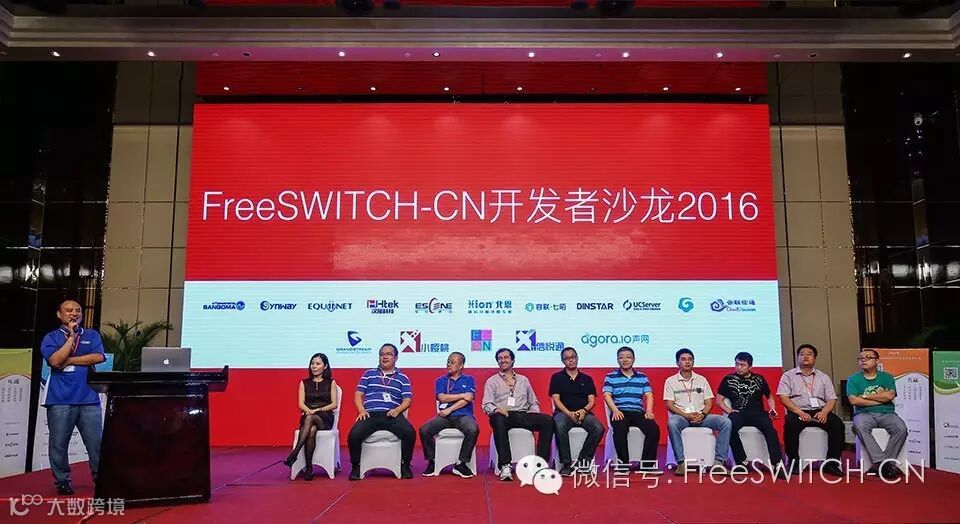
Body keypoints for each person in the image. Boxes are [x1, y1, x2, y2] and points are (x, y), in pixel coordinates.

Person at [39, 299, 106, 495]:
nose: (74, 313)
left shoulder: (91, 335)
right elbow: (55, 361)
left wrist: (68, 360)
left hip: (89, 399)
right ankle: (62, 481)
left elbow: (98, 356)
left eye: (78, 310)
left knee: (96, 444)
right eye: (68, 310)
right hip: (59, 399)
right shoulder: (51, 337)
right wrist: (71, 338)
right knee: (58, 444)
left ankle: (101, 479)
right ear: (59, 315)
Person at [482, 348, 554, 481]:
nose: (503, 360)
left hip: (522, 414)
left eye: (506, 357)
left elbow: (533, 401)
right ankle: (505, 465)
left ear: (512, 360)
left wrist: (533, 413)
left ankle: (540, 464)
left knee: (548, 420)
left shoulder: (523, 380)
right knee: (498, 419)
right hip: (502, 415)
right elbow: (487, 404)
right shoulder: (492, 381)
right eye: (500, 358)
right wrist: (497, 409)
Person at [347, 344, 415, 480]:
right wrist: (361, 410)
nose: (385, 357)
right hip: (370, 414)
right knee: (353, 435)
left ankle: (405, 465)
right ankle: (356, 466)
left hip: (392, 414)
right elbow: (358, 394)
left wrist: (397, 410)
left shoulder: (402, 378)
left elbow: (407, 400)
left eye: (389, 354)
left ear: (396, 358)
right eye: (382, 354)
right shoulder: (368, 374)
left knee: (409, 433)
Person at [777, 343, 844, 476]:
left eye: (809, 354)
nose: (806, 356)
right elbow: (783, 397)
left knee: (837, 424)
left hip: (820, 411)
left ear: (815, 358)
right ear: (797, 357)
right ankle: (794, 462)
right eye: (802, 354)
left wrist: (824, 412)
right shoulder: (788, 376)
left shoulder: (823, 377)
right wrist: (799, 412)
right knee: (790, 424)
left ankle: (831, 463)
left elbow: (832, 398)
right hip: (798, 411)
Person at [664, 348, 732, 475]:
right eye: (683, 359)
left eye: (690, 359)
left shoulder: (702, 380)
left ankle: (718, 462)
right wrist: (686, 415)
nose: (687, 362)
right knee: (672, 423)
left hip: (701, 416)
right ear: (677, 363)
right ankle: (681, 463)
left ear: (693, 362)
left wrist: (703, 414)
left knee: (725, 422)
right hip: (682, 417)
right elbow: (669, 404)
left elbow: (709, 402)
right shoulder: (670, 381)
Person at [716, 352, 785, 472]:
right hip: (738, 413)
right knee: (729, 427)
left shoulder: (759, 379)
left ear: (750, 366)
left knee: (770, 430)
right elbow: (719, 400)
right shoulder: (728, 379)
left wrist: (772, 409)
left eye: (742, 365)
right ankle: (742, 461)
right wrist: (729, 411)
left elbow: (769, 397)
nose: (739, 367)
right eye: (737, 364)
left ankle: (777, 463)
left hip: (758, 413)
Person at [847, 349, 908, 478]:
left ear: (877, 361)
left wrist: (864, 396)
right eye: (860, 358)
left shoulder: (887, 377)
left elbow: (890, 396)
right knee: (860, 426)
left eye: (868, 357)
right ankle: (882, 463)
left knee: (901, 428)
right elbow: (854, 400)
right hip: (863, 414)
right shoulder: (853, 379)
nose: (863, 360)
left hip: (887, 413)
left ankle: (884, 464)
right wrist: (880, 398)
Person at [418, 352, 478, 478]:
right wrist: (462, 395)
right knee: (424, 430)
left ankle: (461, 463)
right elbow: (442, 398)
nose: (449, 364)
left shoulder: (469, 379)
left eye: (453, 362)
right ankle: (432, 461)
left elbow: (468, 399)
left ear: (461, 365)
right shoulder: (441, 380)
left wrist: (450, 409)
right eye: (448, 361)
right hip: (444, 417)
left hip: (463, 415)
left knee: (473, 429)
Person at [602, 346, 661, 473]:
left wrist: (649, 411)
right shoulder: (611, 376)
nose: (625, 360)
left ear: (633, 359)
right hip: (620, 411)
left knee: (653, 429)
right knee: (620, 428)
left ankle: (647, 466)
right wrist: (615, 410)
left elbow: (649, 395)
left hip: (638, 412)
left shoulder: (642, 376)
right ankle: (623, 465)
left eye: (628, 357)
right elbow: (606, 395)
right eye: (621, 357)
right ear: (617, 360)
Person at [283, 353, 339, 480]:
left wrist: (318, 410)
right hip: (308, 414)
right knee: (311, 429)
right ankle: (309, 468)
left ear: (325, 366)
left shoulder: (331, 382)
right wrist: (309, 410)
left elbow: (334, 404)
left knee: (310, 418)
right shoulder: (304, 383)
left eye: (318, 364)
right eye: (312, 363)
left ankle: (294, 453)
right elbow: (301, 403)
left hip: (324, 417)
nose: (314, 366)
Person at [550, 347, 604, 476]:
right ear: (563, 361)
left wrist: (584, 411)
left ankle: (583, 461)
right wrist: (569, 413)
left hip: (583, 413)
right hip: (563, 413)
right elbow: (556, 400)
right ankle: (566, 464)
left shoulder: (586, 378)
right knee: (559, 425)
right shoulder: (557, 377)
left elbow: (591, 401)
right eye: (567, 358)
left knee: (598, 427)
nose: (570, 360)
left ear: (577, 358)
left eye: (573, 357)